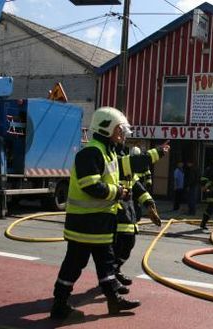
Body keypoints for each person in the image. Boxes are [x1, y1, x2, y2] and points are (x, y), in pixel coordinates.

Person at [50, 107, 169, 320]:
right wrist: (119, 192)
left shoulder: (108, 152)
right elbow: (91, 186)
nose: (122, 135)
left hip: (100, 224)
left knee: (106, 265)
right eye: (119, 130)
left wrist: (157, 153)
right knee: (74, 266)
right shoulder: (91, 152)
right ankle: (59, 305)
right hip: (85, 225)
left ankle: (114, 302)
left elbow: (132, 164)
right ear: (105, 128)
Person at [112, 146, 163, 290]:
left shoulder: (128, 168)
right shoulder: (115, 161)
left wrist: (149, 203)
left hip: (128, 212)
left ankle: (115, 271)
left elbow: (137, 186)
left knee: (128, 244)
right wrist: (158, 152)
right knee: (118, 247)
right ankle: (111, 277)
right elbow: (137, 162)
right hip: (116, 214)